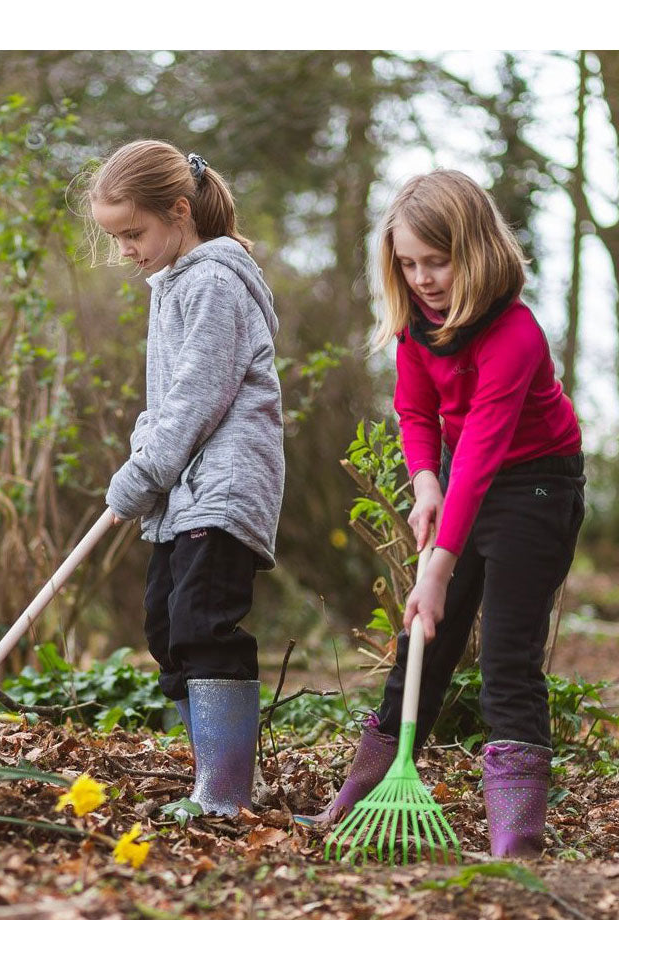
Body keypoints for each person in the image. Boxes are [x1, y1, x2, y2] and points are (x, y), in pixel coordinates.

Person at [296, 170, 585, 858]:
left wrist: (438, 567)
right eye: (408, 263)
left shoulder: (514, 334)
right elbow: (416, 411)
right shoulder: (417, 327)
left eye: (438, 261)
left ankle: (515, 840)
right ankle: (357, 797)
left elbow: (486, 448)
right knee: (426, 644)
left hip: (536, 487)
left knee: (509, 659)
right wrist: (425, 481)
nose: (422, 278)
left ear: (476, 251)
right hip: (460, 474)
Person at [83, 139, 285, 815]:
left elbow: (199, 398)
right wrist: (142, 467)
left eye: (132, 233)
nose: (124, 251)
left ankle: (223, 794)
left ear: (177, 211)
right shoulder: (172, 282)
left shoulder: (212, 282)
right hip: (183, 490)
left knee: (202, 623)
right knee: (166, 626)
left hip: (223, 486)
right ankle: (210, 772)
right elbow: (164, 402)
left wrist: (143, 473)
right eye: (114, 238)